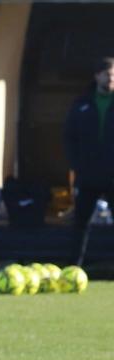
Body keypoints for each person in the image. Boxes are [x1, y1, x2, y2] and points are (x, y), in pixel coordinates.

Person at [65, 56, 114, 267]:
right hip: (88, 176)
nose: (110, 78)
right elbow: (69, 137)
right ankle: (75, 267)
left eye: (113, 74)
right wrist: (77, 165)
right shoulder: (82, 104)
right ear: (97, 76)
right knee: (80, 224)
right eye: (107, 74)